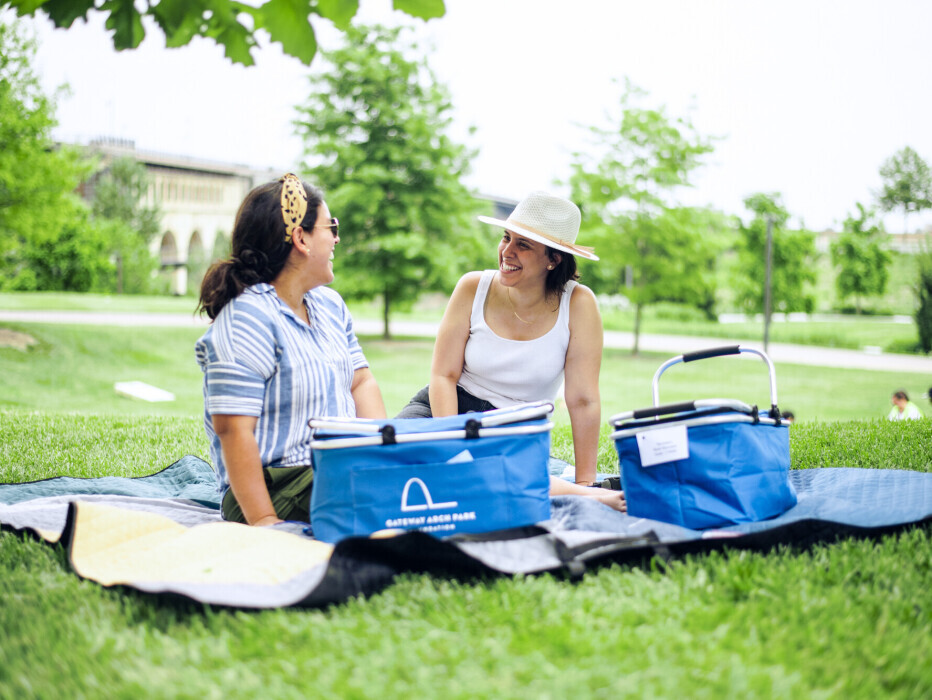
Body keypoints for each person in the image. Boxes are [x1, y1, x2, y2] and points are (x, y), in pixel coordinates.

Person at [396, 191, 625, 512]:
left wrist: (587, 481)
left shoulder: (579, 304)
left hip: (512, 427)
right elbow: (443, 375)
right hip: (443, 411)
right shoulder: (472, 287)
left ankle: (585, 494)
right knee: (392, 461)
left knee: (486, 474)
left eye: (524, 244)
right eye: (506, 238)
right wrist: (453, 443)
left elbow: (583, 399)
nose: (507, 251)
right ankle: (560, 491)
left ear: (553, 259)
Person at [196, 174, 386, 526]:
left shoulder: (329, 305)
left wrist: (383, 453)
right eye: (331, 227)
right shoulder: (248, 318)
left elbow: (361, 383)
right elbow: (232, 431)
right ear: (301, 238)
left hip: (336, 467)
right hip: (274, 486)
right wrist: (266, 521)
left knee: (418, 469)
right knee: (392, 494)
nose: (337, 238)